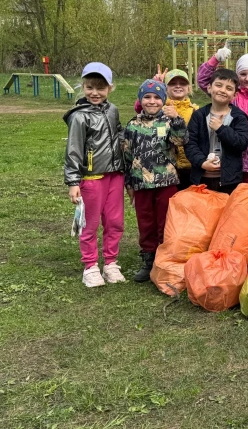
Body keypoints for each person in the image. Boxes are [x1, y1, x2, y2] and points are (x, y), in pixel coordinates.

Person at [63, 63, 126, 288]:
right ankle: (90, 266)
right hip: (92, 178)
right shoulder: (79, 117)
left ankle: (110, 263)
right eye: (90, 87)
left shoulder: (112, 110)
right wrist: (73, 181)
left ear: (110, 88)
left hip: (115, 177)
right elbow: (73, 150)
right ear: (83, 86)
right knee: (90, 224)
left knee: (115, 222)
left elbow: (118, 131)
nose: (95, 93)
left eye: (100, 88)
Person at [123, 80, 188, 282]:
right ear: (140, 100)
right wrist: (129, 183)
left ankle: (164, 259)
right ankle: (148, 259)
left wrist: (177, 120)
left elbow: (181, 140)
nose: (152, 101)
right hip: (141, 183)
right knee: (145, 222)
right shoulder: (132, 125)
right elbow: (126, 154)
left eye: (157, 97)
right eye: (147, 97)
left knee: (165, 222)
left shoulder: (169, 121)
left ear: (163, 100)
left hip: (166, 181)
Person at [197, 45, 248, 191]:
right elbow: (204, 81)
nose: (247, 78)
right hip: (230, 161)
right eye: (243, 74)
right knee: (231, 205)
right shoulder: (232, 95)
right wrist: (215, 59)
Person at [185, 68, 248, 194]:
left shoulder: (239, 117)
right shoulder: (198, 116)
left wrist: (221, 129)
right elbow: (190, 144)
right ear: (209, 88)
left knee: (226, 212)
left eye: (229, 88)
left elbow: (242, 143)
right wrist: (202, 162)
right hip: (201, 178)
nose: (222, 90)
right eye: (218, 85)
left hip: (229, 181)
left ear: (235, 95)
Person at [135, 68, 198, 190]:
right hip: (167, 168)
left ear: (189, 87)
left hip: (190, 165)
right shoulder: (159, 107)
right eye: (173, 83)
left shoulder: (195, 110)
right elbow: (140, 106)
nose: (178, 86)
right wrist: (154, 84)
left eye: (182, 83)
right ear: (166, 88)